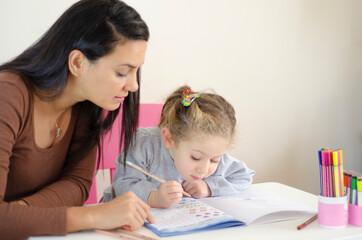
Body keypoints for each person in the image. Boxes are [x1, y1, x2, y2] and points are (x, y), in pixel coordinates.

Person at [0, 0, 155, 239]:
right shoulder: (7, 95)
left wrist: (16, 215)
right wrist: (95, 216)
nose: (133, 85)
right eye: (122, 72)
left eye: (137, 71)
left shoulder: (86, 105)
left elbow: (77, 185)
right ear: (77, 63)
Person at [104, 85, 255, 208]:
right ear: (169, 139)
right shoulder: (145, 144)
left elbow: (243, 176)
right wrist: (154, 197)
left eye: (215, 160)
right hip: (118, 220)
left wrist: (208, 187)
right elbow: (122, 184)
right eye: (195, 157)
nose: (204, 169)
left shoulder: (210, 151)